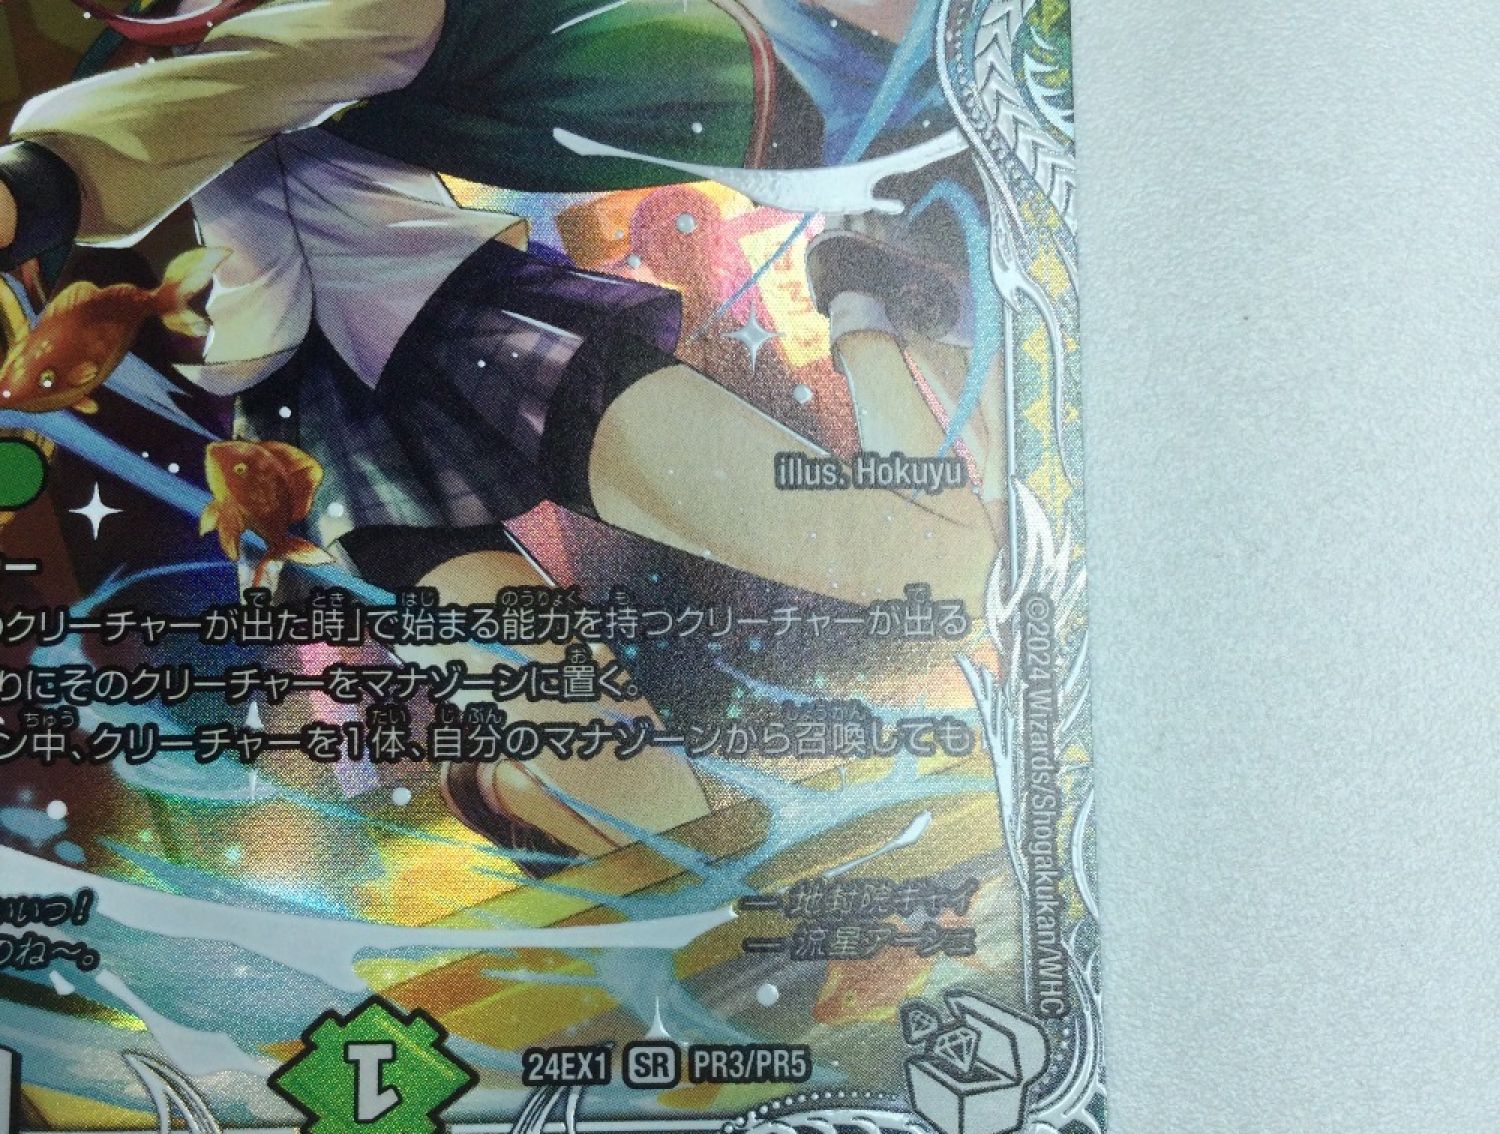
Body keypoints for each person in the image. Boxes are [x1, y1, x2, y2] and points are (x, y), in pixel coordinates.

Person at [0, 0, 1005, 859]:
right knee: (668, 820)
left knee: (941, 571)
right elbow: (177, 112)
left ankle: (861, 302)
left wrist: (41, 181)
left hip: (474, 340)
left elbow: (287, 64)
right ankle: (511, 782)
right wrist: (42, 183)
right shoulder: (152, 58)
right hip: (327, 425)